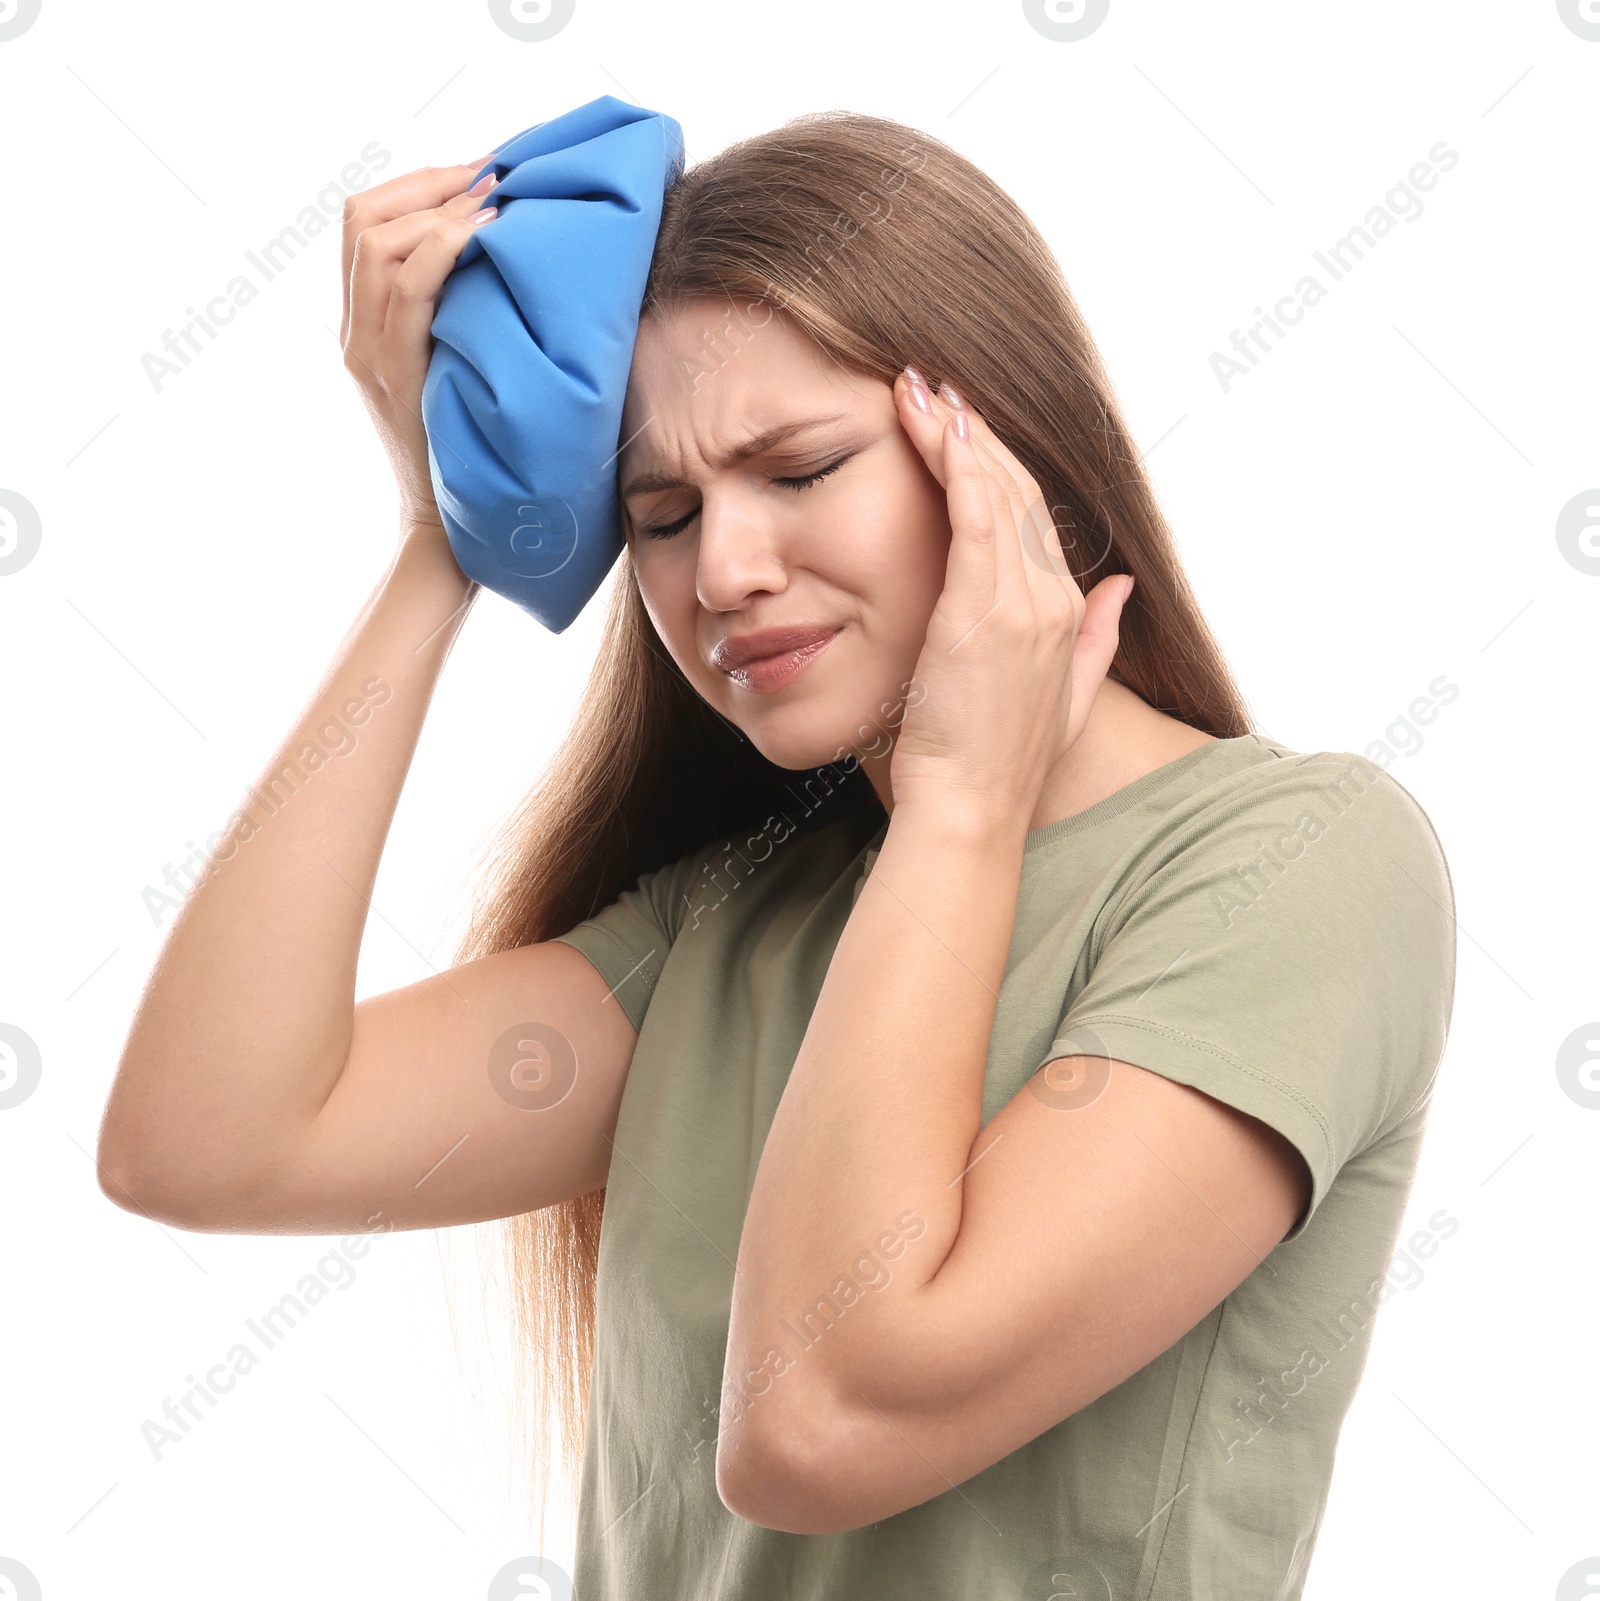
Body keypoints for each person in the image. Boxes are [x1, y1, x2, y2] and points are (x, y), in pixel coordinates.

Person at [98, 110, 1457, 1600]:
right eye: (661, 513)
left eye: (800, 468)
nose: (722, 570)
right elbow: (206, 1138)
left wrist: (958, 803)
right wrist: (448, 527)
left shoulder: (1302, 867)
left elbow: (821, 1416)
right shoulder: (733, 921)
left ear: (1000, 451)